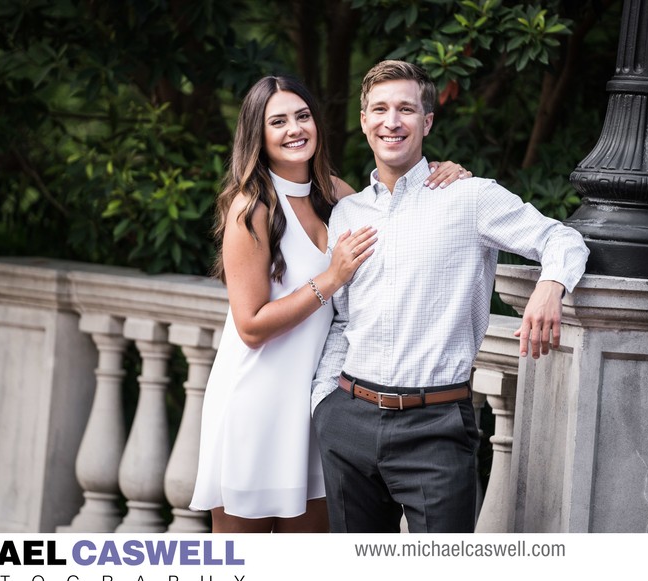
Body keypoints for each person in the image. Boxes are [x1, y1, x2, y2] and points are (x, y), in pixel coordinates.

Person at [311, 60, 590, 533]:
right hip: (348, 421)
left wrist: (550, 285)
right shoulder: (346, 214)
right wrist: (325, 404)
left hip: (435, 427)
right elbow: (342, 320)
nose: (391, 121)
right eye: (379, 109)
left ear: (428, 121)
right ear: (363, 121)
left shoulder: (470, 197)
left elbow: (562, 239)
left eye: (405, 109)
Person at [189, 73, 471, 533]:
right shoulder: (251, 208)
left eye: (302, 116)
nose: (294, 129)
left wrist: (449, 174)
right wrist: (331, 278)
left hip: (318, 403)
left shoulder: (336, 194)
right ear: (257, 134)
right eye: (277, 121)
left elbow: (398, 208)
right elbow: (251, 326)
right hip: (257, 401)